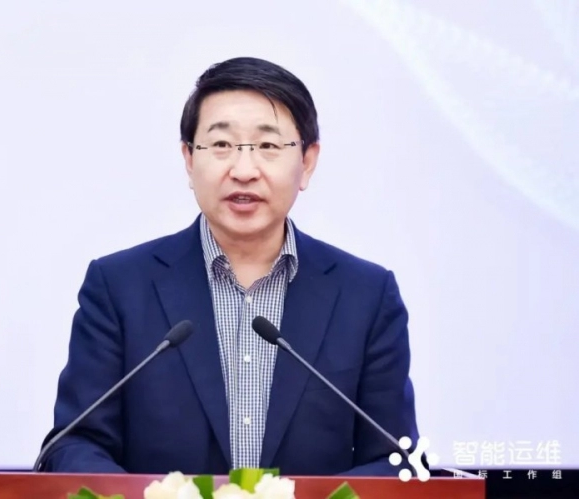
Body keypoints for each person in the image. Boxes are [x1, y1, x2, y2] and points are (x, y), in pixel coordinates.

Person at [39, 56, 421, 476]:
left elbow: (396, 460)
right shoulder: (119, 288)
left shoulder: (366, 296)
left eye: (268, 146)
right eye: (221, 145)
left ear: (307, 161)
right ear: (189, 159)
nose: (243, 170)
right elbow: (74, 444)